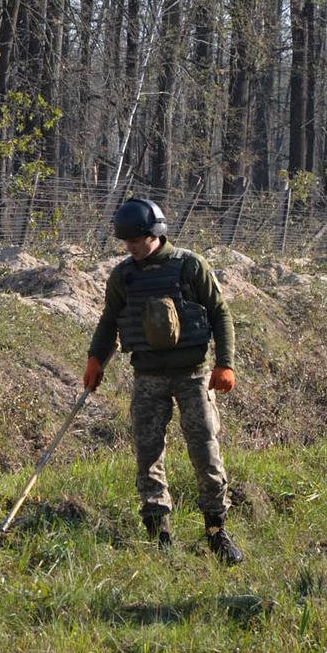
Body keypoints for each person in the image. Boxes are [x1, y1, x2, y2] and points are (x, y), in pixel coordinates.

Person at [82, 197, 242, 564]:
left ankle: (216, 532)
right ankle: (159, 535)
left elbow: (220, 313)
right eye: (126, 243)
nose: (132, 248)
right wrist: (95, 359)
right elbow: (109, 321)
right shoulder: (124, 276)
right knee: (147, 452)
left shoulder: (189, 266)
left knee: (205, 450)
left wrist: (226, 364)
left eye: (137, 241)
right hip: (147, 376)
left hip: (193, 375)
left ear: (155, 233)